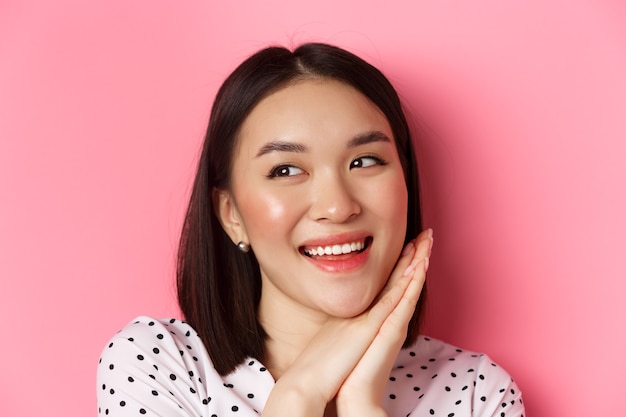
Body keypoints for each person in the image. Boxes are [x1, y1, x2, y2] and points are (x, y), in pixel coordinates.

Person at [97, 43, 524, 417]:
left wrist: (361, 405)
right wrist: (299, 396)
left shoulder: (476, 395)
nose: (338, 207)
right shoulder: (159, 366)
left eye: (365, 161)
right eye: (286, 170)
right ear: (231, 214)